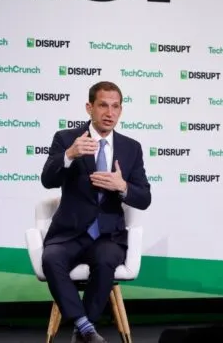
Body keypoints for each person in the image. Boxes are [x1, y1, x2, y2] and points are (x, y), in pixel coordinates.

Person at [40, 81, 152, 343]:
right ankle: (85, 327)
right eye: (103, 105)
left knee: (105, 262)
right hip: (70, 233)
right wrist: (69, 155)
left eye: (115, 107)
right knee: (51, 258)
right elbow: (47, 179)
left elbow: (144, 198)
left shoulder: (131, 147)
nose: (109, 113)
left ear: (121, 111)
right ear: (89, 107)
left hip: (107, 235)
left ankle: (83, 330)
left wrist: (122, 186)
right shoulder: (67, 139)